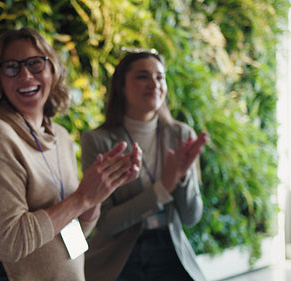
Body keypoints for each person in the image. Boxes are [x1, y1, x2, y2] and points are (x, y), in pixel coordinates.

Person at [0, 27, 142, 281]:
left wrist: (96, 197)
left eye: (35, 64)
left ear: (52, 70)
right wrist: (81, 198)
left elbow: (75, 231)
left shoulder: (61, 137)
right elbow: (10, 243)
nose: (25, 74)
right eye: (12, 67)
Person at [81, 50, 208, 281]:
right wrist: (162, 189)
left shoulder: (181, 134)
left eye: (160, 77)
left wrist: (181, 179)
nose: (154, 84)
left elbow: (191, 217)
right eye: (142, 76)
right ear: (121, 86)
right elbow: (106, 223)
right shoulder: (98, 141)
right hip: (118, 257)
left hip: (170, 249)